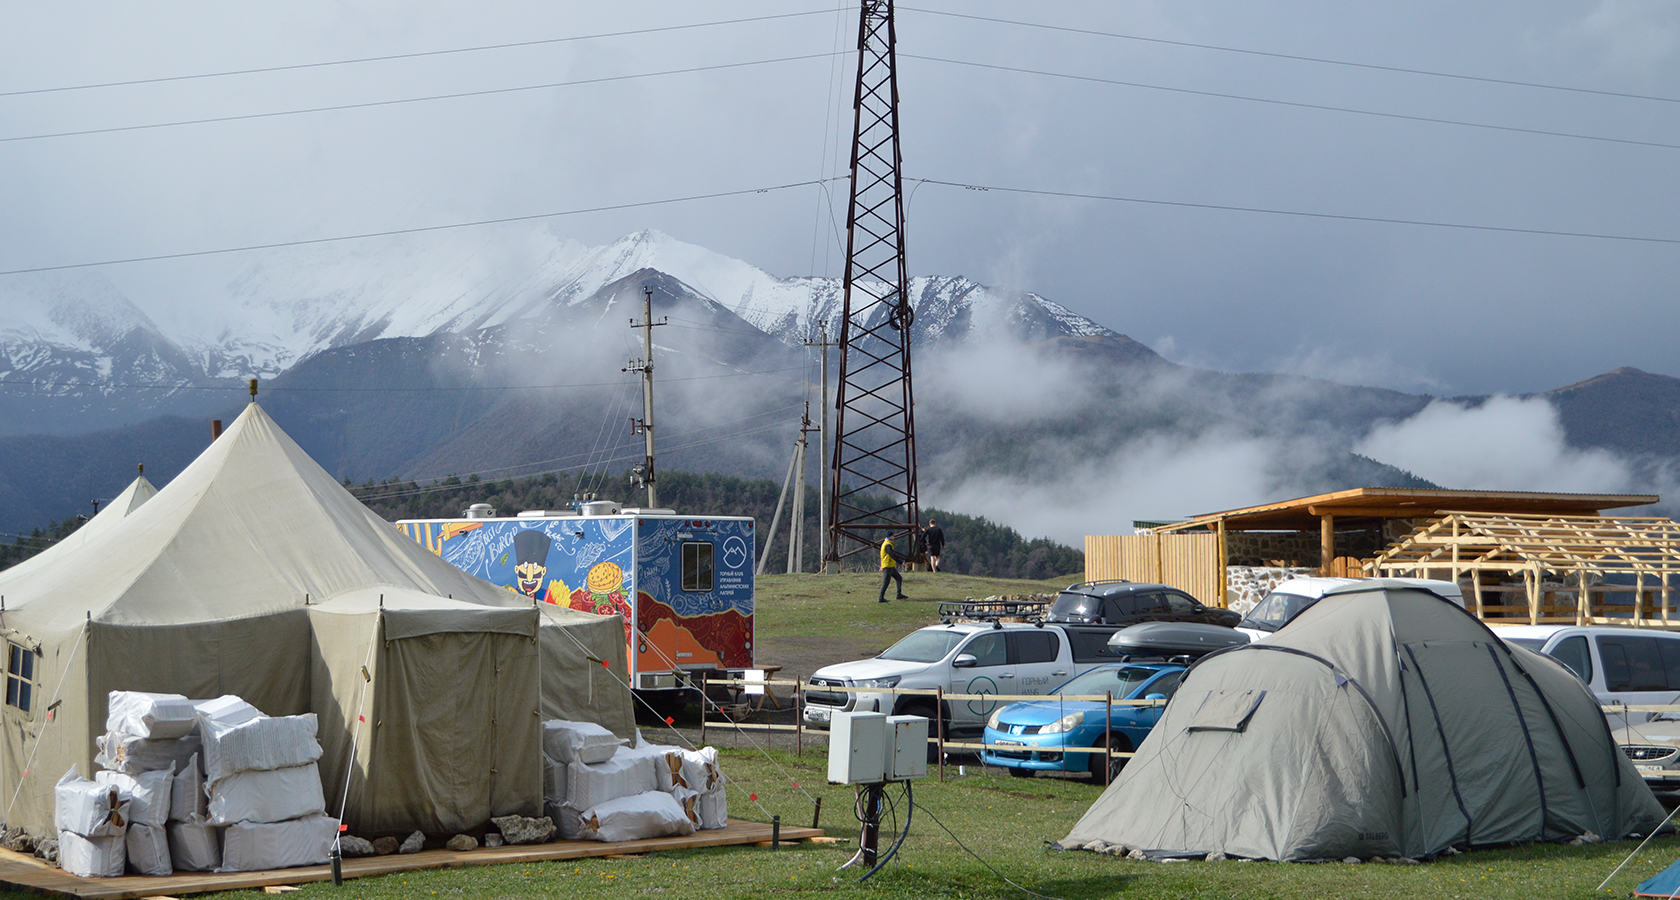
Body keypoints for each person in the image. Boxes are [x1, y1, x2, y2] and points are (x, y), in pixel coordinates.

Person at [878, 537, 907, 603]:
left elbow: (883, 556)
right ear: (890, 536)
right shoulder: (888, 545)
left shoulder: (886, 543)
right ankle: (881, 597)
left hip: (889, 565)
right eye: (893, 536)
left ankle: (899, 594)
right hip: (888, 566)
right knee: (886, 582)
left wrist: (881, 566)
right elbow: (892, 555)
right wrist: (901, 562)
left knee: (899, 578)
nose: (894, 537)